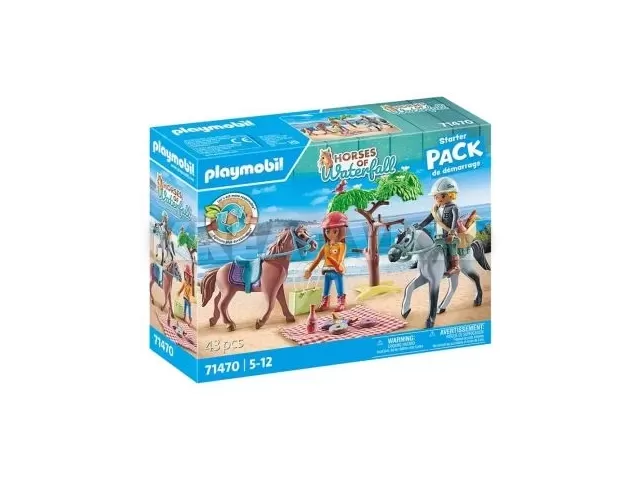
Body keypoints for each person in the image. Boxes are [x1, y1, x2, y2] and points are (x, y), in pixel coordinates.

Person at [413, 177, 461, 276]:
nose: (435, 199)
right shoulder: (436, 209)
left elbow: (455, 221)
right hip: (438, 236)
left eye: (437, 196)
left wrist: (452, 233)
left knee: (451, 248)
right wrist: (420, 226)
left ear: (448, 195)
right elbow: (428, 219)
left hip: (449, 235)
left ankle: (455, 266)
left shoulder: (453, 208)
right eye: (435, 197)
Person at [303, 211, 349, 312]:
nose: (330, 234)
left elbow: (340, 259)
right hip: (327, 272)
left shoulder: (342, 246)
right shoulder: (326, 246)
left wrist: (336, 264)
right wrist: (309, 270)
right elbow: (318, 259)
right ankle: (325, 302)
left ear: (342, 230)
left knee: (339, 288)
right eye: (327, 231)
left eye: (335, 231)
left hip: (337, 272)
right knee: (326, 289)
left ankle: (341, 302)